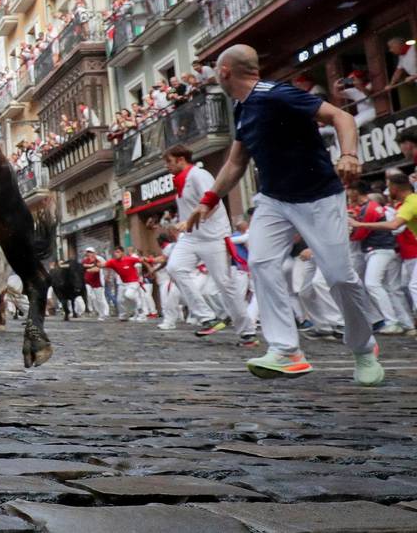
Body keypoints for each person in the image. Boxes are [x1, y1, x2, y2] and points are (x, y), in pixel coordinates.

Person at [186, 44, 384, 385]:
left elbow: (342, 116)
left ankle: (364, 348)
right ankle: (286, 350)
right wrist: (207, 200)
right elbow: (236, 161)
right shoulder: (243, 108)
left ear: (224, 72)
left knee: (339, 276)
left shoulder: (276, 94)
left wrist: (349, 154)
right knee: (261, 263)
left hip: (319, 196)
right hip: (274, 199)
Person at [164, 145, 257, 344]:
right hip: (191, 237)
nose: (167, 166)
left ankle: (247, 331)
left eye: (169, 162)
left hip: (213, 236)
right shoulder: (180, 181)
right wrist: (185, 223)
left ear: (181, 159)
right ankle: (208, 318)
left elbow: (213, 202)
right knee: (174, 268)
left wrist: (188, 220)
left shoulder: (199, 175)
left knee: (224, 284)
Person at [350, 173, 417, 328]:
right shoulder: (411, 201)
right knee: (407, 285)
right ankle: (405, 323)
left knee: (413, 286)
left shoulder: (410, 203)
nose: (388, 191)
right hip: (404, 253)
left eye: (389, 187)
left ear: (394, 187)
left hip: (398, 251)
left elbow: (393, 226)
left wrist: (360, 225)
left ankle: (395, 322)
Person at [103, 246, 143, 320]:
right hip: (123, 283)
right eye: (115, 252)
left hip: (133, 282)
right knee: (120, 300)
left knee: (129, 295)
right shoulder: (112, 261)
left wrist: (150, 268)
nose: (116, 254)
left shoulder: (130, 259)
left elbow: (141, 261)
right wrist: (93, 264)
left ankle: (141, 312)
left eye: (118, 252)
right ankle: (124, 315)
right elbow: (103, 265)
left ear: (122, 253)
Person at [81, 247, 108, 319]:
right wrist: (90, 266)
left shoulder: (98, 260)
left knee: (99, 299)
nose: (89, 254)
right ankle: (93, 310)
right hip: (88, 282)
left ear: (94, 253)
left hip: (97, 282)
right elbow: (83, 266)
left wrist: (89, 269)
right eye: (88, 252)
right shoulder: (85, 260)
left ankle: (102, 313)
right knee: (90, 296)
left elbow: (97, 269)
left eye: (91, 252)